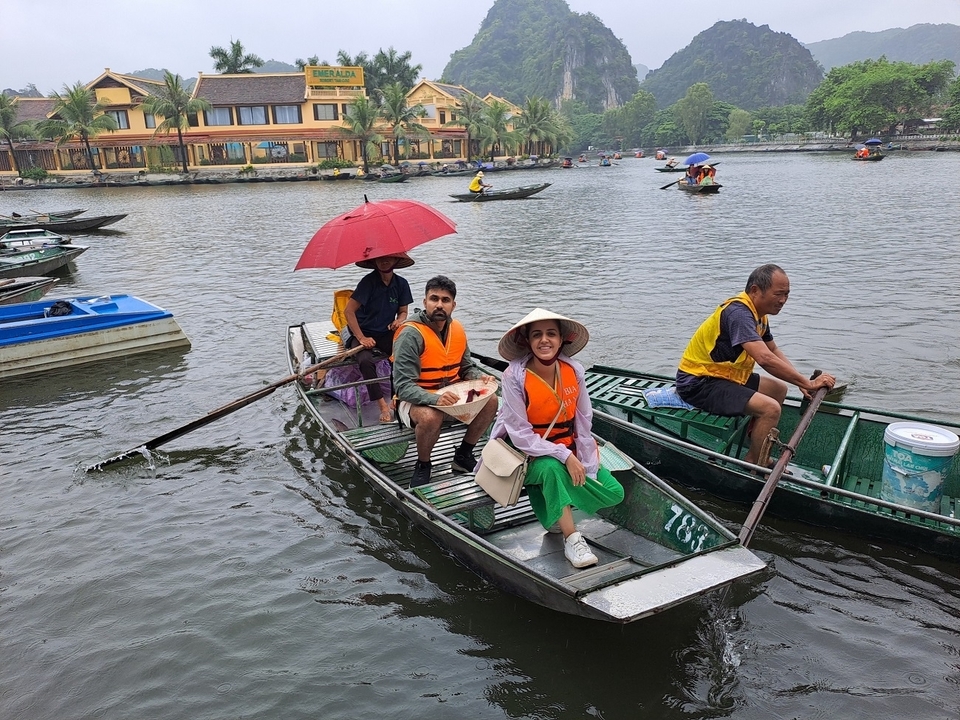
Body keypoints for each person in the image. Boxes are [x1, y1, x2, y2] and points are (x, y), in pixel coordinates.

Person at [488, 308, 625, 568]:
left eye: (551, 333)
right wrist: (565, 456)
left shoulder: (574, 370)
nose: (544, 340)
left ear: (562, 340)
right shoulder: (513, 376)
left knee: (614, 491)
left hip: (568, 445)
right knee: (552, 468)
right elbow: (520, 436)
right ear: (527, 341)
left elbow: (584, 423)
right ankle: (572, 539)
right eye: (537, 334)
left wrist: (586, 464)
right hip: (524, 456)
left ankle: (554, 514)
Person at [675, 264, 836, 466]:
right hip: (698, 383)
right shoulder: (739, 314)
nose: (783, 300)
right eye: (778, 294)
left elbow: (773, 351)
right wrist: (809, 383)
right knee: (771, 409)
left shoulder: (759, 314)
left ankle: (758, 445)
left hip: (724, 376)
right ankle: (755, 462)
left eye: (787, 294)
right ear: (755, 290)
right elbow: (764, 359)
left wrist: (800, 382)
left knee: (778, 389)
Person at [392, 275, 498, 487]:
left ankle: (463, 455)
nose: (439, 305)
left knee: (492, 400)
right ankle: (423, 464)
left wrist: (481, 377)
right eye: (434, 299)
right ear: (425, 302)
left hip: (451, 395)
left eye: (445, 300)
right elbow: (403, 387)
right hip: (413, 400)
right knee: (431, 417)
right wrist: (434, 399)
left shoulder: (457, 328)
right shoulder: (410, 334)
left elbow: (467, 367)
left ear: (453, 305)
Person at [343, 253, 415, 423]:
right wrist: (361, 338)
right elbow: (348, 311)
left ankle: (398, 398)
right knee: (365, 361)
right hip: (362, 331)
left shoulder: (401, 284)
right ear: (373, 261)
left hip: (385, 331)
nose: (384, 261)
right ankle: (382, 405)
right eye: (380, 258)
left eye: (389, 258)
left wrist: (399, 321)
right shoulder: (368, 283)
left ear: (397, 260)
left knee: (403, 352)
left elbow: (403, 311)